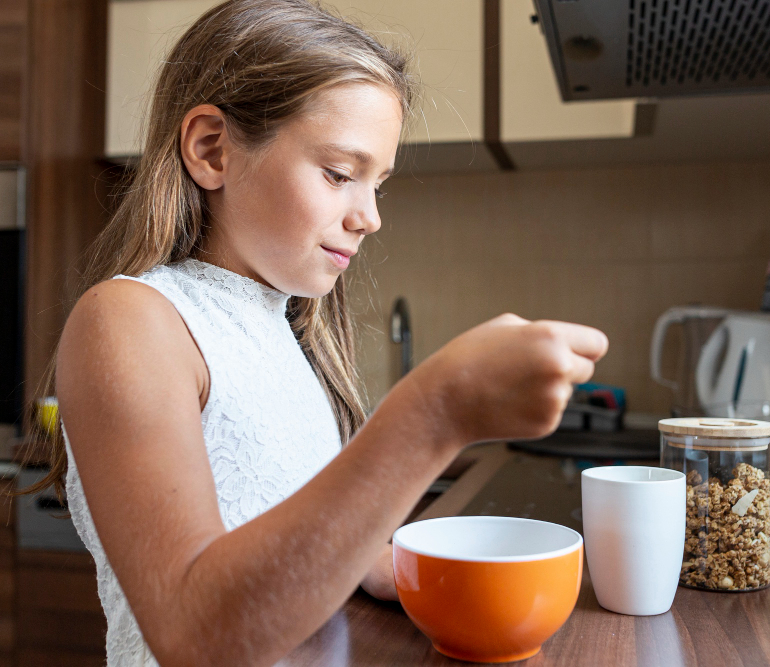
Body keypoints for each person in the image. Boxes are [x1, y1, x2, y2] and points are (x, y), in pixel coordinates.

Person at [30, 0, 608, 665]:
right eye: (339, 174)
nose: (369, 217)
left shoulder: (285, 334)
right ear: (212, 149)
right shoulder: (130, 320)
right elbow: (193, 634)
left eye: (377, 185)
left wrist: (371, 558)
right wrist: (436, 409)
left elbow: (278, 528)